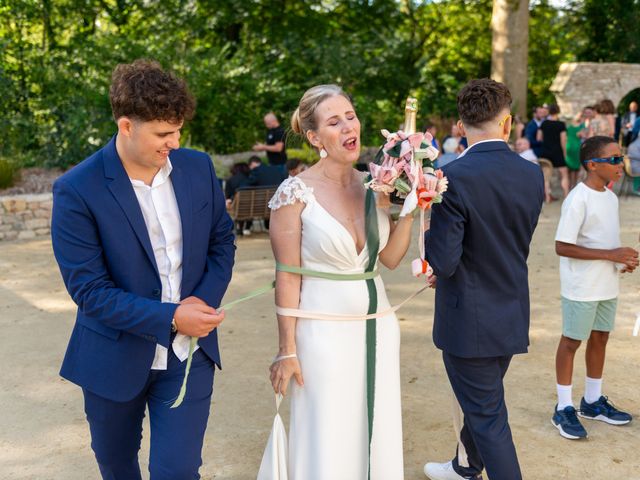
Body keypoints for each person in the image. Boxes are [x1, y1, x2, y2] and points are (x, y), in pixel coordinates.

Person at [50, 59, 236, 480]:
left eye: (178, 130)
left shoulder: (197, 167)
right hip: (111, 359)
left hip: (188, 355)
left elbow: (221, 241)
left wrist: (201, 301)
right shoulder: (77, 189)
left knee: (179, 471)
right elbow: (89, 290)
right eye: (163, 133)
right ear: (126, 125)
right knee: (117, 468)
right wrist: (170, 317)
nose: (174, 141)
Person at [267, 84, 416, 479]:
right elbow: (287, 277)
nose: (349, 126)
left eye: (350, 116)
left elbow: (389, 259)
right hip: (321, 336)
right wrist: (287, 349)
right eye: (334, 121)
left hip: (380, 327)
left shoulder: (376, 184)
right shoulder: (294, 194)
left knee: (377, 428)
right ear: (314, 137)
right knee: (328, 433)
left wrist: (414, 209)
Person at [423, 79, 544, 480]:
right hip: (511, 308)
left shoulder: (452, 176)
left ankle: (474, 466)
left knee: (488, 416)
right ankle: (465, 466)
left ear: (461, 126)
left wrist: (429, 237)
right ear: (507, 124)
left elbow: (445, 259)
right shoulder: (532, 176)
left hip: (469, 319)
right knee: (484, 403)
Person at [551, 136, 637, 440]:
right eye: (613, 160)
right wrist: (610, 255)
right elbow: (562, 245)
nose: (620, 164)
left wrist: (620, 260)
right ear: (592, 165)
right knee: (572, 342)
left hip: (606, 284)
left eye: (620, 157)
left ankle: (591, 401)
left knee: (600, 338)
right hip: (581, 287)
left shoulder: (610, 197)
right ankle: (563, 407)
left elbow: (606, 242)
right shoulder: (579, 198)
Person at [538, 104, 569, 198]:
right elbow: (563, 141)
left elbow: (539, 138)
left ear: (549, 111)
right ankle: (566, 195)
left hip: (545, 152)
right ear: (558, 112)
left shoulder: (544, 123)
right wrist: (564, 153)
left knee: (546, 176)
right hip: (557, 152)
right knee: (564, 175)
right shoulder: (561, 124)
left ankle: (547, 197)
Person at [225, 162, 252, 236]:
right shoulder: (252, 179)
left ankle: (238, 228)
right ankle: (247, 227)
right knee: (248, 203)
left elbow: (228, 197)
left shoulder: (230, 180)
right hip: (253, 207)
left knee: (235, 203)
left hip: (238, 207)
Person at [565, 110, 587, 190]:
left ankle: (571, 186)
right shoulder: (582, 126)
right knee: (575, 168)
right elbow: (582, 135)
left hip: (571, 146)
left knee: (571, 169)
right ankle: (573, 186)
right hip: (575, 147)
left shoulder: (569, 126)